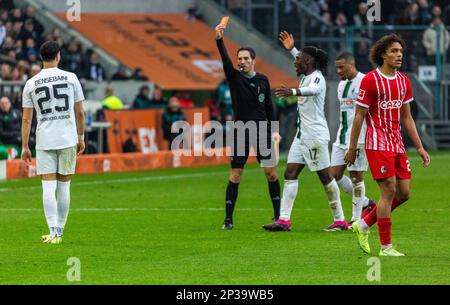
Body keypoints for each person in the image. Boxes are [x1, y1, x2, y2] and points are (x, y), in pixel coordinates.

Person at [344, 34, 430, 256]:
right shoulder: (370, 80)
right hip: (377, 144)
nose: (399, 54)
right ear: (383, 54)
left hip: (397, 144)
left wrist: (419, 147)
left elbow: (407, 118)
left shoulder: (403, 81)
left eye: (401, 51)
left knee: (404, 193)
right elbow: (359, 116)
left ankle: (362, 225)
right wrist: (352, 148)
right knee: (389, 190)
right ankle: (385, 247)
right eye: (394, 51)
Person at [263, 31, 346, 232]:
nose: (295, 62)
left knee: (325, 177)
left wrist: (293, 91)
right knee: (290, 172)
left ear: (308, 62)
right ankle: (283, 220)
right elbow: (301, 59)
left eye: (298, 59)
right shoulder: (308, 73)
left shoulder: (317, 78)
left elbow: (313, 90)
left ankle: (340, 220)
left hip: (315, 136)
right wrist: (292, 49)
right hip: (302, 136)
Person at [215, 22, 281, 230]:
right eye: (239, 58)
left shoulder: (263, 80)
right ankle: (228, 220)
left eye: (245, 58)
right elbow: (225, 60)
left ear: (253, 61)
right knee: (236, 174)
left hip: (261, 131)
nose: (242, 61)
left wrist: (275, 130)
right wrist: (219, 40)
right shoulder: (234, 78)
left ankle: (279, 217)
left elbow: (269, 106)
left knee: (271, 173)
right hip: (241, 132)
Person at [21, 41, 86, 244]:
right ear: (58, 56)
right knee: (64, 186)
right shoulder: (71, 78)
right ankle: (59, 232)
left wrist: (24, 146)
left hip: (44, 140)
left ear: (41, 57)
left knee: (47, 187)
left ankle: (52, 231)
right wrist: (81, 137)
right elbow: (80, 112)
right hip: (67, 138)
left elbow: (26, 119)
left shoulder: (31, 83)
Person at [331, 52, 376, 225]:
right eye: (336, 67)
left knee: (357, 176)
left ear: (352, 64)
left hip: (358, 138)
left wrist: (359, 140)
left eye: (342, 67)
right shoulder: (341, 85)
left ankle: (356, 219)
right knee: (333, 175)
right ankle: (366, 203)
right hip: (341, 137)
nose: (338, 70)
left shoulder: (364, 81)